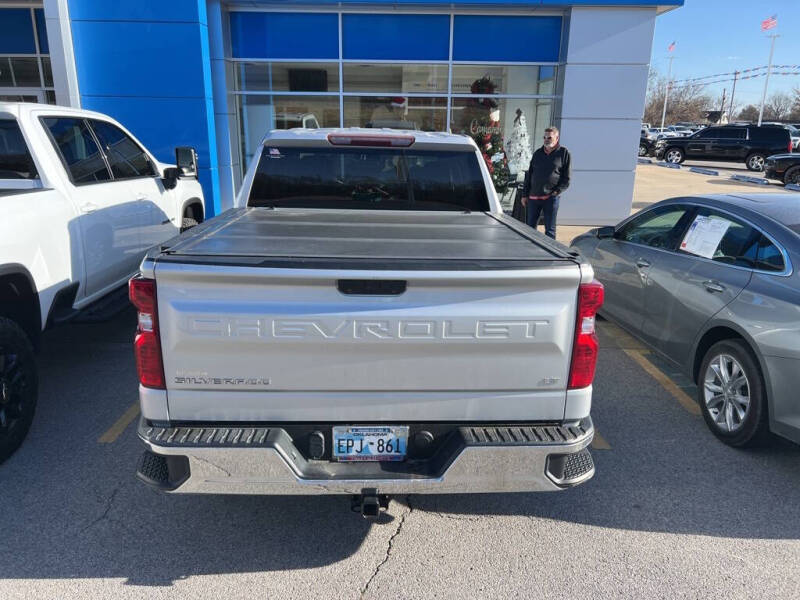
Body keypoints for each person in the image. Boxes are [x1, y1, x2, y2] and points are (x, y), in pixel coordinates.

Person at [521, 126, 571, 239]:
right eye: (544, 137)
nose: (546, 140)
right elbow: (529, 175)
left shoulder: (563, 153)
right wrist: (524, 194)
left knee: (550, 231)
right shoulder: (537, 153)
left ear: (557, 138)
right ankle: (530, 253)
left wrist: (556, 192)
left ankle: (549, 256)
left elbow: (566, 178)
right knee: (530, 229)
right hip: (534, 198)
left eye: (549, 137)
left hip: (551, 198)